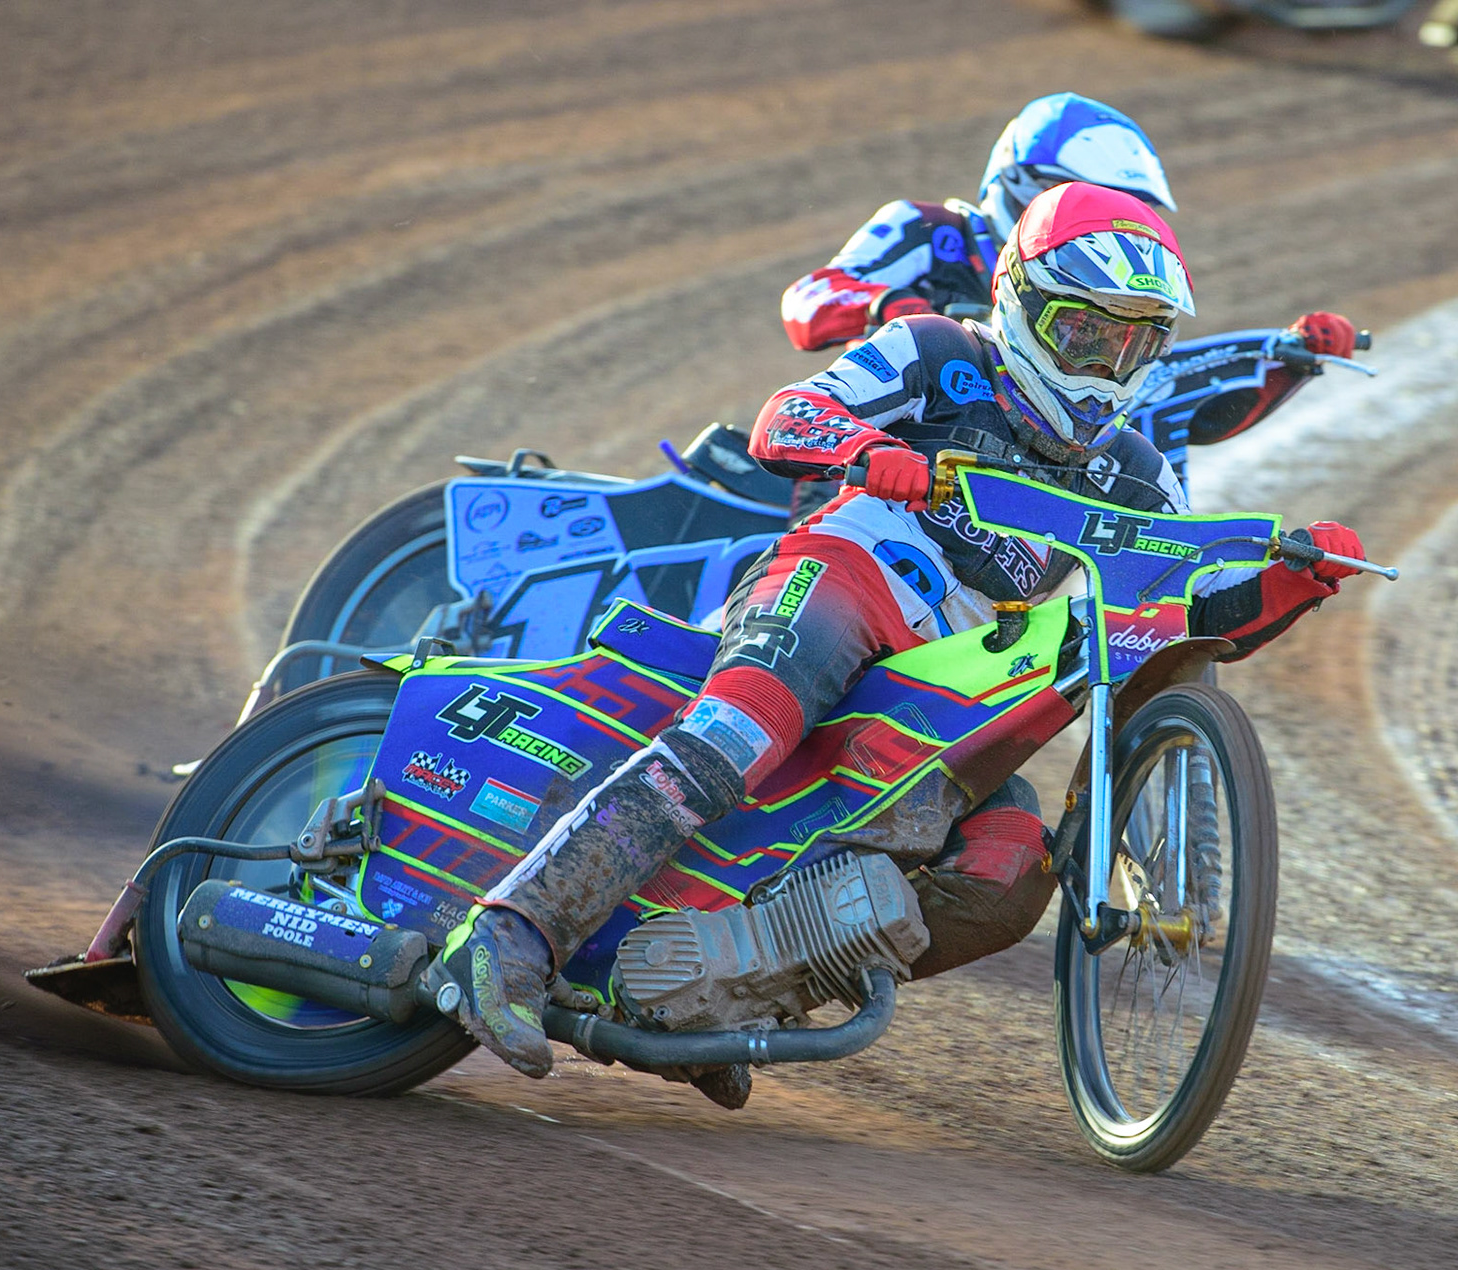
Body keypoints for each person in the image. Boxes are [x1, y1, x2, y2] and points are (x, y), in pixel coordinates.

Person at [442, 183, 1365, 1080]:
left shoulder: (1143, 475)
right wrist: (865, 448)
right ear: (1020, 300)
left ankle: (712, 997)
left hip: (961, 687)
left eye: (1129, 345)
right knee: (740, 730)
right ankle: (509, 934)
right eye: (1082, 332)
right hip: (845, 577)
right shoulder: (933, 351)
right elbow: (786, 415)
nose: (1098, 366)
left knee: (1007, 882)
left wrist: (1289, 585)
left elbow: (1176, 622)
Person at [778, 91, 1362, 496]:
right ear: (1027, 182)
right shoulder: (930, 230)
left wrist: (1282, 357)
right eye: (1087, 198)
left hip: (1032, 462)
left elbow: (1151, 385)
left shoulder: (1109, 296)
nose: (1106, 223)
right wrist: (884, 305)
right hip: (900, 440)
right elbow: (807, 303)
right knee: (833, 519)